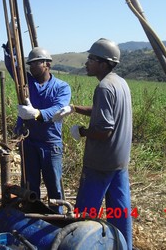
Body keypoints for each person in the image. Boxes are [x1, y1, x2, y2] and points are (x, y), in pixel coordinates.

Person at [53, 38, 133, 249]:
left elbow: (105, 129)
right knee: (120, 211)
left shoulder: (104, 88)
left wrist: (83, 132)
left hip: (100, 162)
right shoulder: (120, 83)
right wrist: (75, 108)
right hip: (119, 161)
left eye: (91, 59)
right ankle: (124, 245)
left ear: (104, 63)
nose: (87, 62)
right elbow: (105, 113)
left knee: (85, 213)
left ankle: (80, 244)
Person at [3, 42, 71, 213]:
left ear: (47, 64)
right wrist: (9, 50)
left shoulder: (62, 87)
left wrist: (37, 114)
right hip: (29, 141)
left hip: (50, 143)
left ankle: (57, 217)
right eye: (30, 63)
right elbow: (13, 67)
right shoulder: (26, 83)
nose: (32, 66)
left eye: (36, 63)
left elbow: (58, 109)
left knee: (54, 184)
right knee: (29, 184)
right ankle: (32, 215)